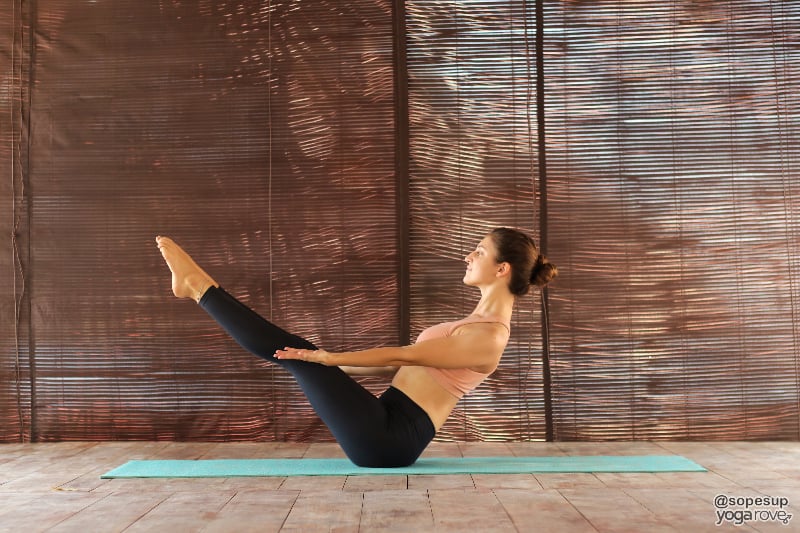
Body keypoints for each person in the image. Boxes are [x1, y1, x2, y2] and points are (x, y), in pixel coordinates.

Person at [155, 228, 557, 467]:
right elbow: (397, 368)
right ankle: (197, 288)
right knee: (303, 356)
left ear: (502, 269)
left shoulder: (490, 337)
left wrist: (327, 361)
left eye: (481, 251)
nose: (469, 255)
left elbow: (403, 355)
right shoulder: (474, 324)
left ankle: (197, 288)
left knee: (301, 355)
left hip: (390, 440)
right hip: (384, 422)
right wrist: (331, 366)